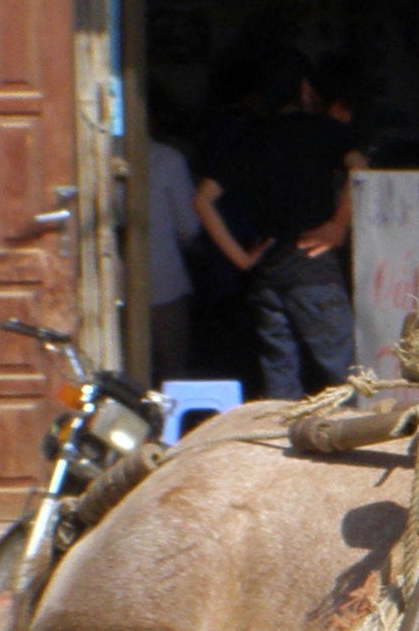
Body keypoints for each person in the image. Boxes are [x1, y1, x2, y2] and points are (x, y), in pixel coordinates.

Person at [194, 47, 359, 399]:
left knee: (280, 373)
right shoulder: (325, 131)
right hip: (314, 266)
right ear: (303, 89)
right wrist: (338, 224)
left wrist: (241, 258)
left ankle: (283, 445)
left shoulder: (249, 140)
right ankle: (357, 446)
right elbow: (360, 169)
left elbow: (203, 199)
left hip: (266, 270)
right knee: (344, 374)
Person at [144, 134, 202, 386]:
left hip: (106, 285)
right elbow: (188, 226)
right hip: (162, 281)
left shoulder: (90, 152)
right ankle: (171, 424)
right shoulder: (167, 159)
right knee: (173, 367)